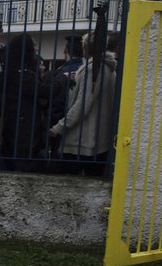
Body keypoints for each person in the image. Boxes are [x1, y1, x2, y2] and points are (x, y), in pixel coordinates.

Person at [49, 32, 118, 176]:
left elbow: (83, 104)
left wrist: (59, 127)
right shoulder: (109, 68)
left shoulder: (92, 69)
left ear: (85, 47)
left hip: (81, 142)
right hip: (100, 141)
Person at [0, 33, 51, 171]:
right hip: (22, 125)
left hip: (21, 123)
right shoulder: (21, 73)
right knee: (22, 162)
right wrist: (63, 79)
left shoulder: (18, 70)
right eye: (33, 46)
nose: (36, 50)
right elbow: (43, 91)